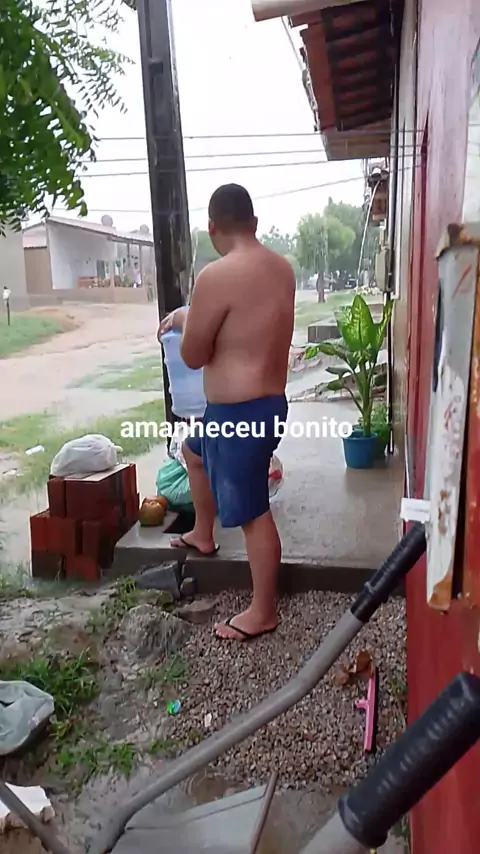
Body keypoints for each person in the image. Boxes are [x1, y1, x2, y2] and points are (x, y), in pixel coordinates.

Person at [158, 184, 295, 642]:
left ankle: (263, 611)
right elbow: (242, 322)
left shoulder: (216, 276)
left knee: (254, 512)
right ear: (253, 223)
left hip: (239, 416)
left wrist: (185, 323)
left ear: (212, 227)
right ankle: (203, 532)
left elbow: (194, 354)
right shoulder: (281, 269)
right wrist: (187, 316)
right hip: (264, 405)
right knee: (193, 452)